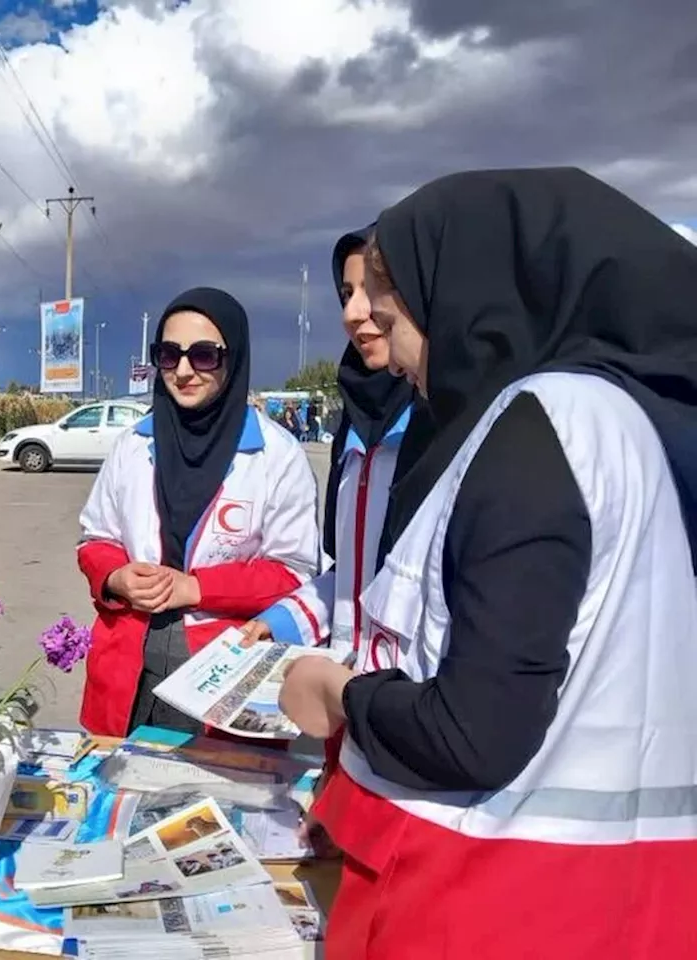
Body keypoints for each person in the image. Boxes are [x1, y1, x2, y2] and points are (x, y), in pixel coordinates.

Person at [279, 168, 697, 957]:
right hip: (598, 895)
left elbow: (475, 732)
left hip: (500, 896)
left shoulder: (541, 427)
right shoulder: (616, 424)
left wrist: (337, 692)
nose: (359, 316)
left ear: (467, 282)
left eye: (384, 288)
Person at [77, 287, 320, 737]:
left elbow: (293, 572)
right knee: (116, 797)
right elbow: (96, 539)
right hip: (129, 670)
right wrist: (115, 577)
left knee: (209, 802)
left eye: (204, 355)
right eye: (169, 355)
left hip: (223, 670)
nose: (184, 370)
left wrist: (195, 588)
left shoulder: (277, 456)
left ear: (233, 358)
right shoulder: (132, 445)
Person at [243, 227, 416, 661]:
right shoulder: (354, 431)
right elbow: (352, 578)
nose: (354, 313)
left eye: (375, 289)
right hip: (351, 698)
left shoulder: (449, 432)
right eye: (346, 293)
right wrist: (279, 622)